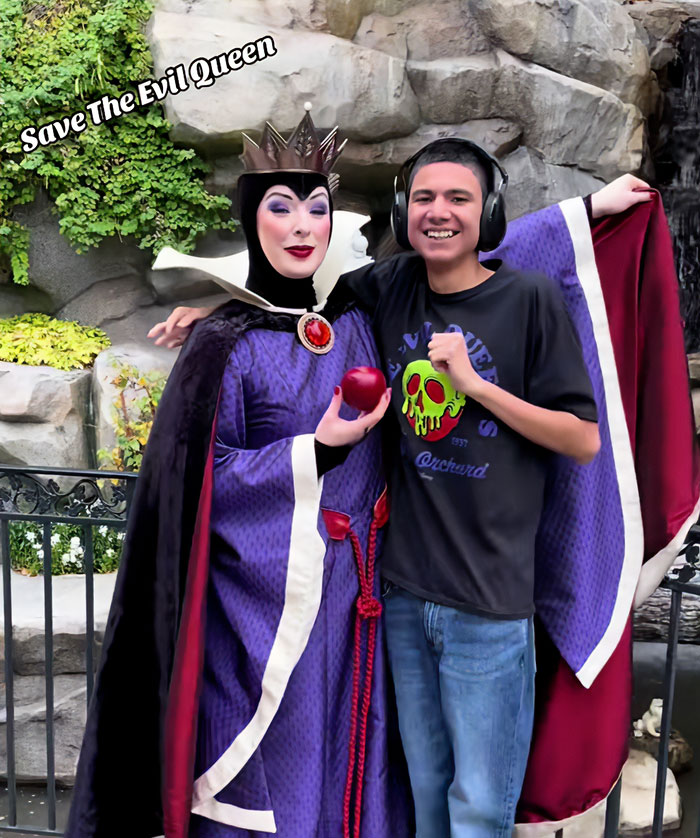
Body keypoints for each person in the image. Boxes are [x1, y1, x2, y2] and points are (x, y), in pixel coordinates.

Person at [151, 144, 670, 838]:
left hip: (478, 603)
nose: (439, 214)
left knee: (479, 804)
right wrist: (218, 312)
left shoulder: (481, 300)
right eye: (423, 198)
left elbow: (579, 430)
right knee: (421, 789)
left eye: (459, 200)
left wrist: (584, 216)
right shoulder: (373, 295)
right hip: (382, 596)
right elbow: (289, 299)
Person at [64, 109, 413, 838]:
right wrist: (314, 452)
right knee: (279, 773)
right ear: (253, 221)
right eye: (280, 208)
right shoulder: (225, 343)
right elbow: (204, 477)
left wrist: (588, 212)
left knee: (356, 766)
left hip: (362, 599)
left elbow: (463, 258)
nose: (301, 225)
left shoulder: (358, 313)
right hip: (265, 610)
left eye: (316, 208)